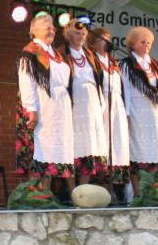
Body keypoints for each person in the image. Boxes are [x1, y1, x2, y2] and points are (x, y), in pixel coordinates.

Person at [17, 12, 75, 188]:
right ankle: (36, 193)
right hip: (41, 106)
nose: (51, 31)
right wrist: (31, 109)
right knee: (41, 149)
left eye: (53, 28)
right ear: (35, 31)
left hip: (58, 107)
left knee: (53, 151)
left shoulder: (54, 53)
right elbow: (27, 81)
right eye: (47, 28)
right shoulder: (30, 52)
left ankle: (46, 192)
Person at [120, 26, 158, 192]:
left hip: (157, 116)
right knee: (137, 152)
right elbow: (125, 89)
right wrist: (126, 114)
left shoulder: (154, 66)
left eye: (149, 42)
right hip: (138, 114)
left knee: (155, 152)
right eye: (143, 42)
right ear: (133, 44)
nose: (147, 45)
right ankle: (137, 192)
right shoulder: (127, 65)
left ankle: (153, 190)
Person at [62, 20, 108, 186]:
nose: (80, 36)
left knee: (89, 148)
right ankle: (72, 191)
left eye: (83, 34)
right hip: (74, 104)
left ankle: (84, 190)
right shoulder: (62, 54)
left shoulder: (89, 55)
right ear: (68, 35)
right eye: (76, 33)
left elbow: (99, 80)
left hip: (92, 104)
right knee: (72, 148)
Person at [90, 26, 130, 203]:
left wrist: (126, 111)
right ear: (94, 43)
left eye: (108, 39)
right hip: (101, 105)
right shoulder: (92, 61)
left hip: (117, 105)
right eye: (102, 40)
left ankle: (114, 188)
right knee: (102, 146)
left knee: (117, 146)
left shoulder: (115, 63)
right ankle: (102, 189)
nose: (106, 43)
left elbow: (124, 88)